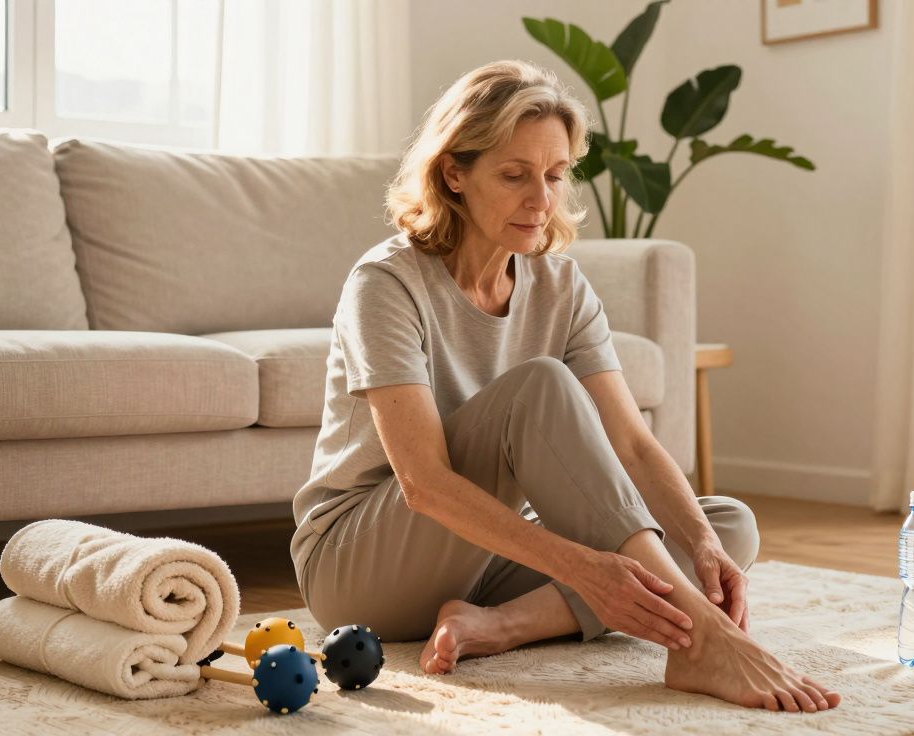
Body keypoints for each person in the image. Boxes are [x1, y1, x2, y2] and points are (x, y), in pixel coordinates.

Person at [290, 59, 840, 713]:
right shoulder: (385, 283)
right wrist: (583, 569)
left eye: (554, 175)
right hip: (362, 565)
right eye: (514, 175)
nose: (541, 200)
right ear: (454, 173)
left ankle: (498, 625)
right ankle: (703, 641)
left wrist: (697, 541)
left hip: (485, 556)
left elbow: (632, 447)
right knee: (540, 387)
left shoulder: (561, 286)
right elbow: (424, 484)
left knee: (723, 530)